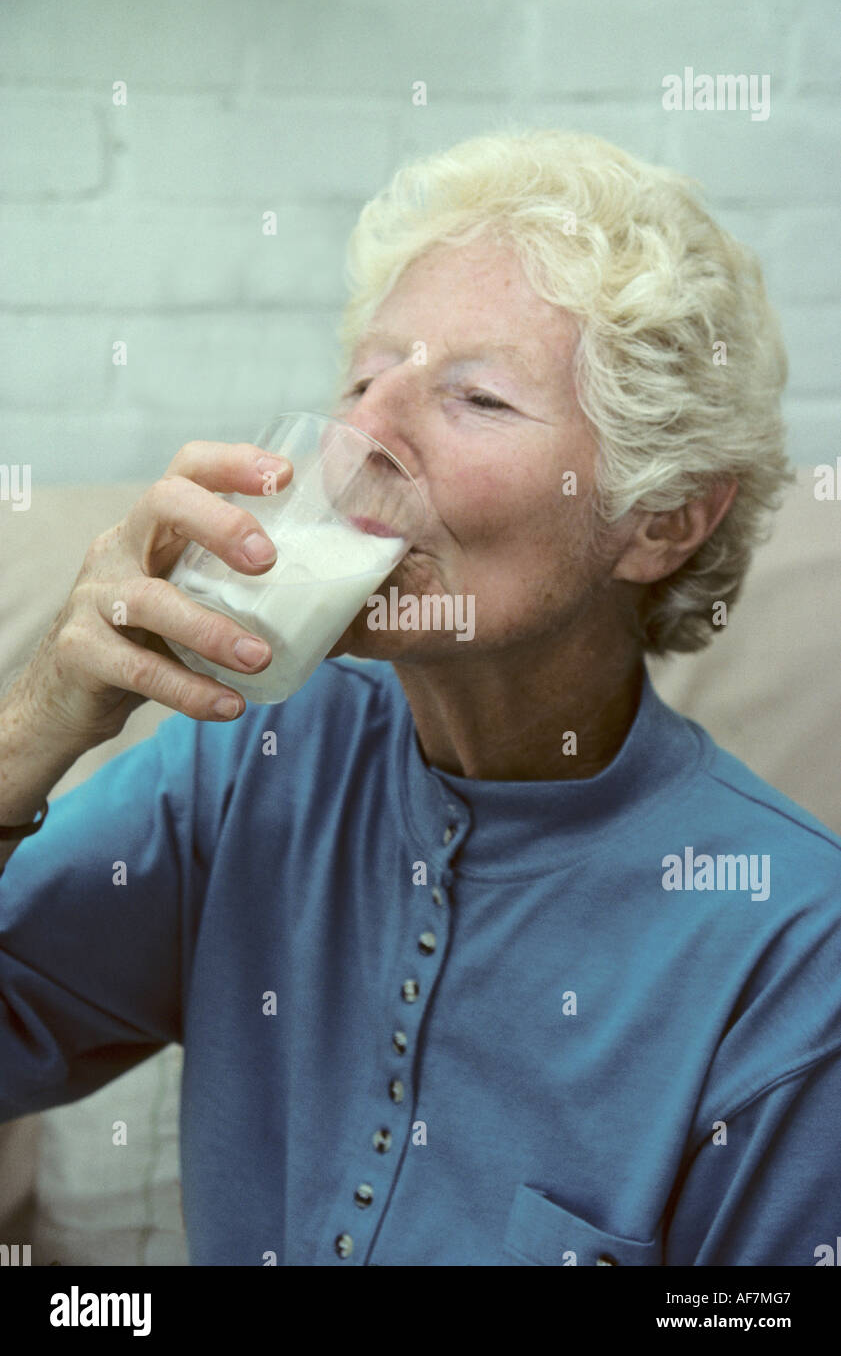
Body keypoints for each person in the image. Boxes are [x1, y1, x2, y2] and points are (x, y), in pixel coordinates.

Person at [1, 130, 839, 1267]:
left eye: (475, 398)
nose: (361, 435)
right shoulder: (255, 761)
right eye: (362, 379)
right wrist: (34, 724)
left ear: (663, 517)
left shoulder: (792, 951)